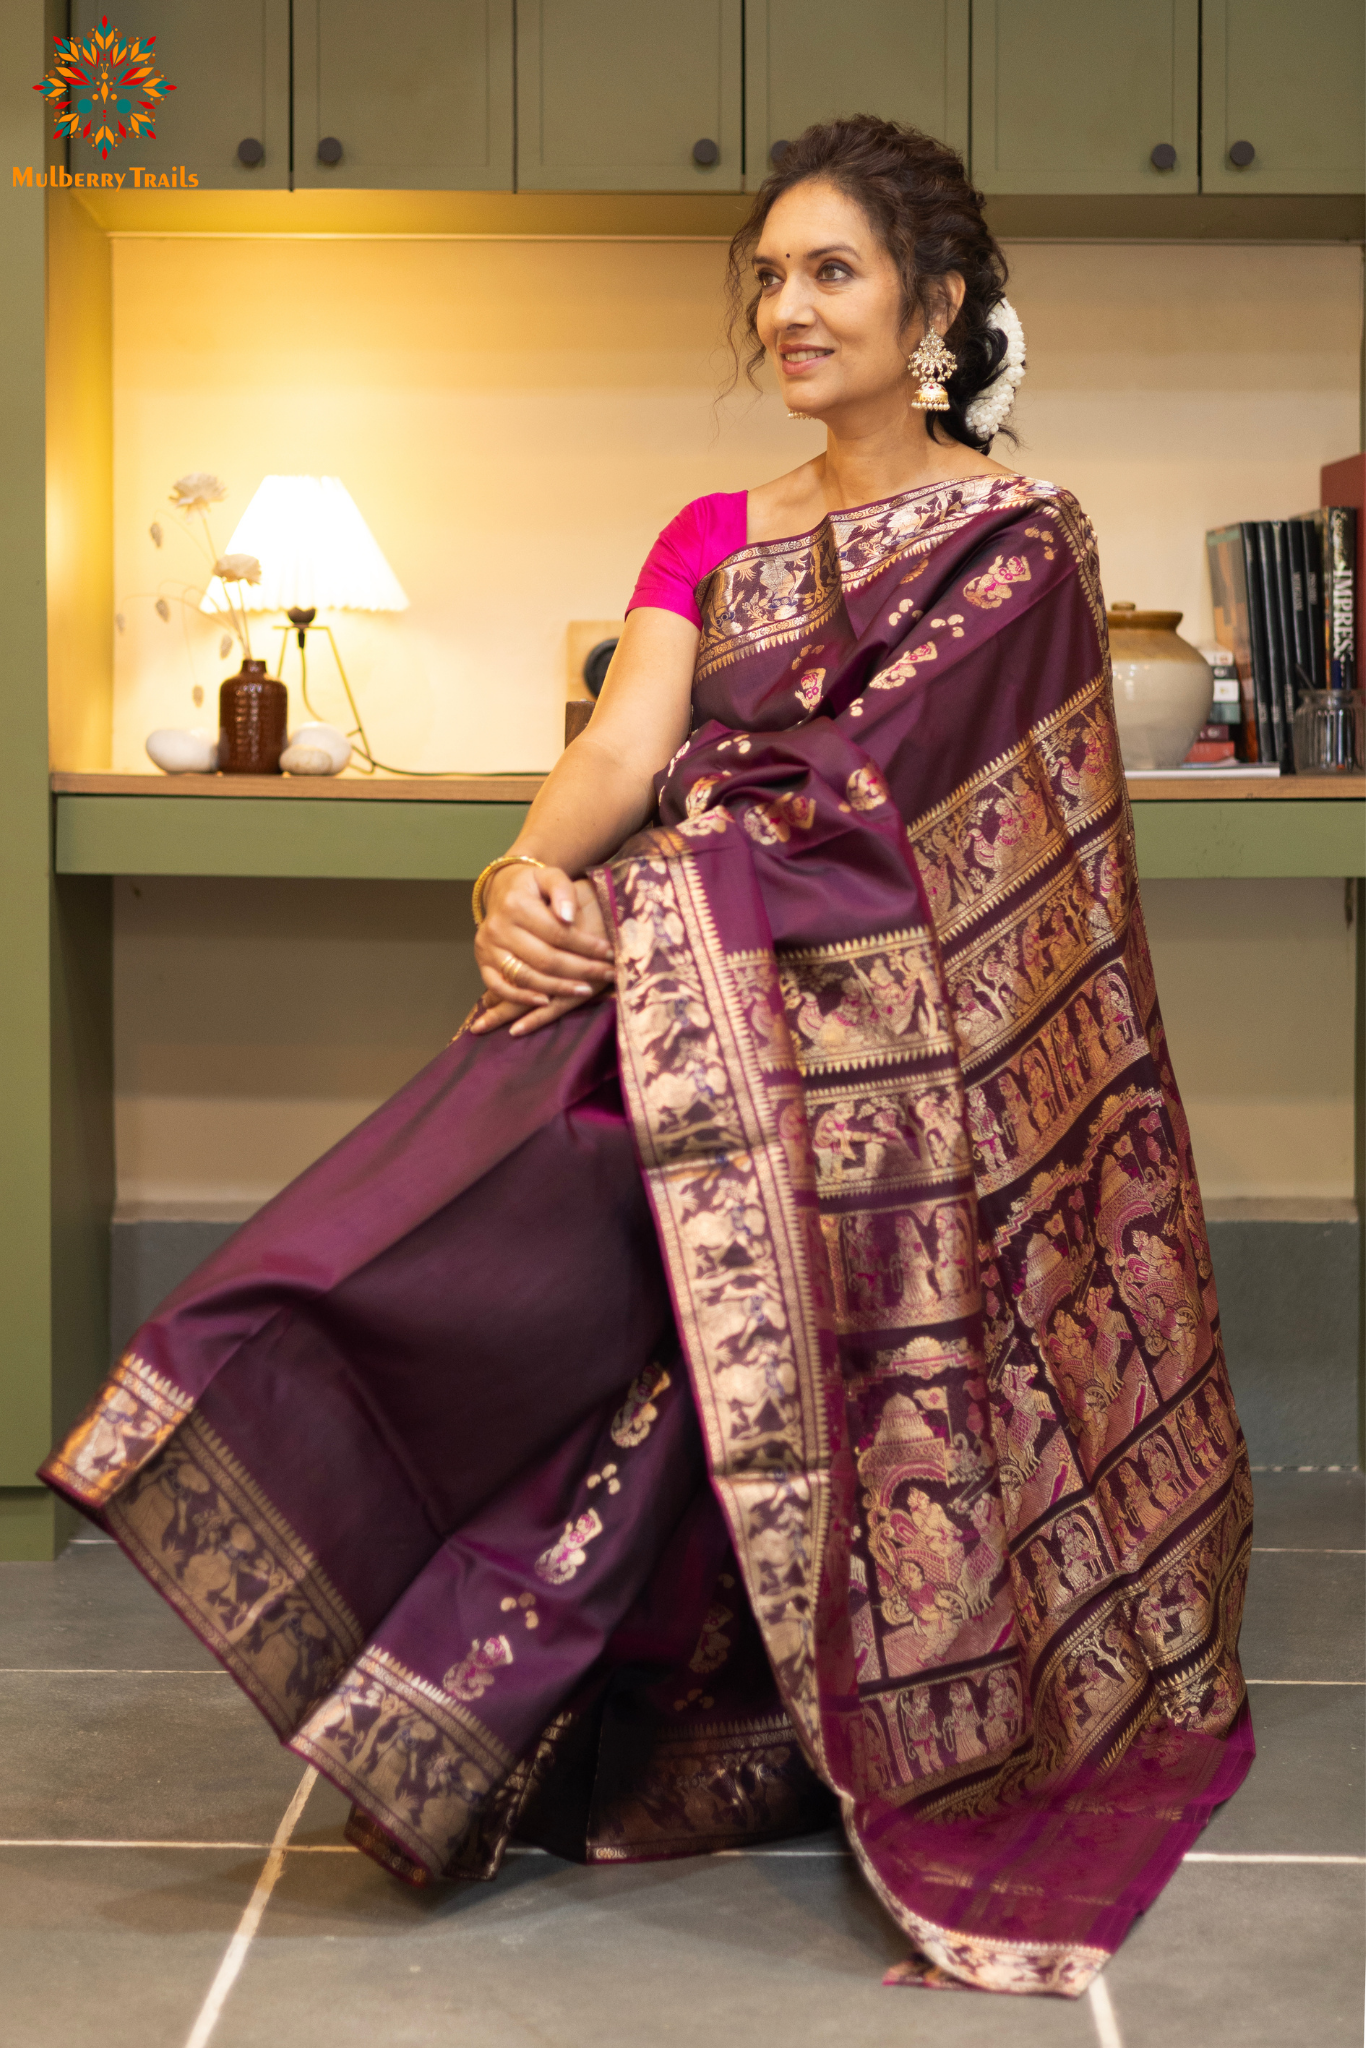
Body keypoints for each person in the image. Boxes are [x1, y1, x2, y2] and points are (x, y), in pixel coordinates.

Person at [41, 116, 1253, 1998]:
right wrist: (522, 870)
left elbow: (909, 821)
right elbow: (624, 751)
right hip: (688, 983)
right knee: (409, 1222)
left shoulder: (1017, 541)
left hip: (872, 1060)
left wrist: (644, 906)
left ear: (935, 304)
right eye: (765, 276)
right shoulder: (708, 529)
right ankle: (360, 1591)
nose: (784, 307)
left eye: (830, 271)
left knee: (634, 1247)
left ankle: (614, 1696)